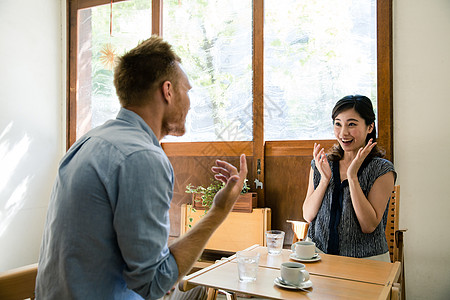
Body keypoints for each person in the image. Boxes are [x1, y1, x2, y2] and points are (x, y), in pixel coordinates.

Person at [36, 35, 248, 299]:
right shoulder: (142, 157)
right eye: (187, 90)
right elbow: (154, 283)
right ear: (168, 91)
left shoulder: (88, 142)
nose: (190, 102)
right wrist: (219, 210)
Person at [302, 95, 396, 262]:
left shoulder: (382, 170)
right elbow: (308, 215)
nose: (343, 132)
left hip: (366, 260)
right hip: (317, 255)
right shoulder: (321, 163)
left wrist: (352, 178)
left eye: (352, 124)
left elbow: (368, 226)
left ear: (370, 127)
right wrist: (324, 180)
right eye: (338, 124)